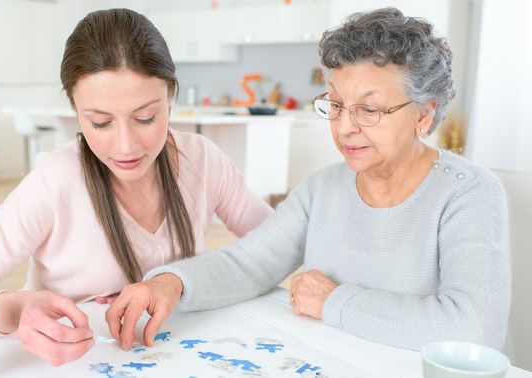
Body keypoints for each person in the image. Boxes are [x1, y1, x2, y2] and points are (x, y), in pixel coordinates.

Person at [106, 7, 511, 352]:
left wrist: (334, 302)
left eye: (369, 110)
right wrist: (171, 283)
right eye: (335, 105)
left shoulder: (468, 192)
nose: (345, 127)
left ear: (424, 115)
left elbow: (475, 328)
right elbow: (249, 263)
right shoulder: (323, 188)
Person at [0, 8, 272, 366]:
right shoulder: (55, 182)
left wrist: (177, 281)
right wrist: (14, 308)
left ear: (171, 96)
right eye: (100, 123)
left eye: (146, 118)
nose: (126, 147)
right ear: (76, 110)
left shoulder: (202, 160)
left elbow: (278, 246)